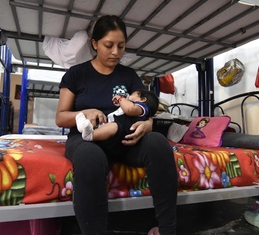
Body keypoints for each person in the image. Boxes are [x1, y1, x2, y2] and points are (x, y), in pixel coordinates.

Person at [55, 15, 178, 235]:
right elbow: (61, 117)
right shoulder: (76, 74)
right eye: (108, 45)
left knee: (158, 143)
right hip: (86, 137)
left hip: (123, 138)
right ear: (94, 43)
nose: (115, 52)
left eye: (121, 46)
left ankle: (167, 229)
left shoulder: (129, 75)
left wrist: (148, 125)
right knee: (91, 157)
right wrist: (87, 112)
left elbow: (146, 107)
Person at [75, 89, 159, 142]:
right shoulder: (134, 106)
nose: (129, 96)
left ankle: (90, 135)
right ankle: (84, 126)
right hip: (113, 124)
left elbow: (130, 109)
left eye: (133, 94)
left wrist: (121, 99)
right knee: (103, 124)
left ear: (142, 99)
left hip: (122, 131)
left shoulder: (142, 108)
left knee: (113, 127)